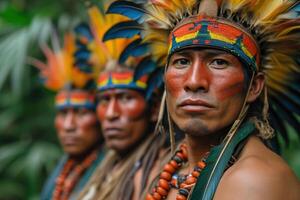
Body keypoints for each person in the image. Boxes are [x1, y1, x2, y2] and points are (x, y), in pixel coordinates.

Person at [105, 0, 300, 199]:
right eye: (182, 62)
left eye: (219, 62)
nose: (194, 81)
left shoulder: (254, 180)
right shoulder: (160, 170)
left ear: (254, 87)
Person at [76, 2, 167, 200]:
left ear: (154, 108)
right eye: (104, 100)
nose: (111, 113)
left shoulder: (159, 172)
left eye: (126, 98)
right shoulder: (103, 166)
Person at [32, 31, 105, 200]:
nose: (68, 125)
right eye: (63, 113)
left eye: (81, 113)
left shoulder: (113, 167)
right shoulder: (63, 170)